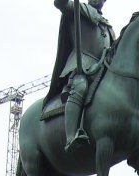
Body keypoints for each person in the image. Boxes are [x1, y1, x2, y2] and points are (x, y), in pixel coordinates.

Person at [49, 0, 116, 152]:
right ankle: (71, 136)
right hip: (83, 65)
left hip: (102, 68)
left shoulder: (107, 25)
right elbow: (60, 3)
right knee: (80, 86)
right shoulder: (78, 8)